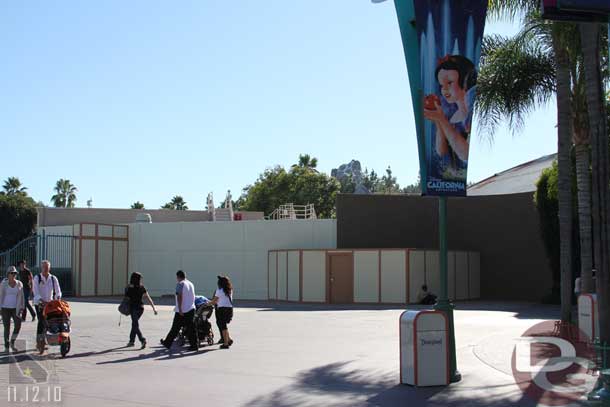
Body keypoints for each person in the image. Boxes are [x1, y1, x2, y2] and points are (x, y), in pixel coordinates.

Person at [424, 54, 476, 178]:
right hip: (452, 176)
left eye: (450, 83)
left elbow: (465, 154)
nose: (445, 89)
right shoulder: (452, 117)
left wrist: (442, 120)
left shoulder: (472, 113)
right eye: (442, 85)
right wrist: (439, 120)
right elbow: (441, 151)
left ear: (465, 82)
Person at [160, 270, 198, 351]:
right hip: (191, 308)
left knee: (175, 328)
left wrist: (180, 309)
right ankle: (194, 345)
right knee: (191, 328)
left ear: (178, 277)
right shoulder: (191, 284)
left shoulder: (180, 284)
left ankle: (167, 343)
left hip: (182, 310)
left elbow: (179, 296)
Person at [32, 260, 62, 351]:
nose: (45, 269)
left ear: (49, 268)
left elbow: (58, 291)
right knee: (41, 321)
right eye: (44, 267)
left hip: (50, 304)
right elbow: (35, 292)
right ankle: (39, 342)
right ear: (41, 268)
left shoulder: (53, 278)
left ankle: (45, 340)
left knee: (49, 322)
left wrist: (57, 298)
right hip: (40, 304)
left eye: (47, 267)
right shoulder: (37, 278)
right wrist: (42, 301)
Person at [125, 272, 157, 349]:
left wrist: (127, 288)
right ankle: (131, 341)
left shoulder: (130, 288)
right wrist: (154, 308)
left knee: (135, 324)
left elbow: (126, 298)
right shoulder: (142, 287)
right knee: (134, 324)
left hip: (133, 308)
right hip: (141, 308)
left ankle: (142, 340)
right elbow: (148, 298)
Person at [0, 267, 24, 351]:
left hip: (15, 308)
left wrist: (22, 307)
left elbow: (22, 297)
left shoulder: (19, 284)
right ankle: (6, 346)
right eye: (12, 273)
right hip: (5, 308)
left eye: (15, 273)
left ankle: (12, 342)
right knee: (7, 328)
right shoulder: (3, 283)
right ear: (8, 274)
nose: (13, 275)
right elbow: (0, 296)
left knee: (18, 325)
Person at [209, 275, 234, 349]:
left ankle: (226, 344)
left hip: (222, 310)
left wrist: (207, 303)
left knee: (223, 326)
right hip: (229, 310)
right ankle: (228, 339)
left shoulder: (219, 290)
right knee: (224, 326)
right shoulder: (230, 290)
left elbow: (214, 301)